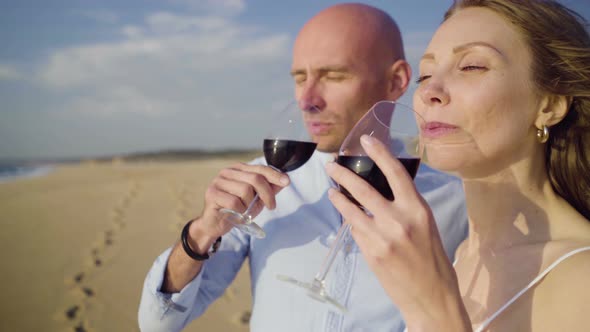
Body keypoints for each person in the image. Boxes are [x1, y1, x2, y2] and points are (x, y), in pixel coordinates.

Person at [138, 3, 468, 332]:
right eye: (300, 78)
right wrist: (199, 235)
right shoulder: (258, 187)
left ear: (396, 81)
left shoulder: (456, 202)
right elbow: (157, 324)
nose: (307, 99)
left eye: (334, 75)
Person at [325, 0, 590, 331]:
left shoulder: (582, 277)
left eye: (472, 67)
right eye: (425, 74)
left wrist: (432, 312)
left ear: (549, 105)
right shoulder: (460, 254)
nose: (429, 92)